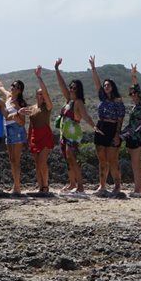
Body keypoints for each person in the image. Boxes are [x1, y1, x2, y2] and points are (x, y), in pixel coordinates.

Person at [53, 58, 92, 195]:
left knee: (73, 158)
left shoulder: (78, 102)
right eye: (71, 87)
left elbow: (86, 116)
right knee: (68, 159)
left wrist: (94, 126)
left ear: (79, 90)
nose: (71, 89)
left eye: (74, 88)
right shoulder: (69, 100)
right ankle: (72, 183)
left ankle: (80, 186)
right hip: (64, 133)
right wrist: (57, 69)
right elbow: (62, 85)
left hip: (73, 134)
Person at [89, 56, 126, 196]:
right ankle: (102, 185)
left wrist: (117, 134)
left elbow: (120, 118)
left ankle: (117, 185)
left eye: (108, 85)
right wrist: (93, 68)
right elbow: (96, 83)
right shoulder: (102, 98)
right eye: (105, 85)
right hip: (101, 127)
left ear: (113, 87)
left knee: (113, 159)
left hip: (112, 128)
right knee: (102, 159)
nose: (105, 87)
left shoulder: (118, 100)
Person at [0, 69, 29, 196]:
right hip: (8, 129)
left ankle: (17, 186)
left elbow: (22, 122)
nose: (13, 87)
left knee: (16, 160)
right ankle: (15, 185)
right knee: (11, 159)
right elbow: (0, 87)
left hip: (16, 130)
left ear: (20, 90)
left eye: (16, 86)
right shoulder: (9, 97)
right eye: (13, 85)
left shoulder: (19, 103)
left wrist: (16, 116)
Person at [24, 67, 56, 194]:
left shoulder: (47, 107)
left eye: (43, 94)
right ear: (36, 95)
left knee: (42, 161)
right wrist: (28, 139)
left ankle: (45, 186)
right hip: (34, 136)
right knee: (37, 163)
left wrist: (39, 78)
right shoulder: (31, 108)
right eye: (39, 93)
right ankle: (40, 186)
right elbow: (31, 125)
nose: (42, 95)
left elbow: (47, 93)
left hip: (45, 135)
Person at [120, 65, 141, 196]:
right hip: (132, 136)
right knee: (137, 163)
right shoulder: (135, 106)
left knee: (136, 162)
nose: (132, 95)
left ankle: (138, 189)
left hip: (137, 136)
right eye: (130, 94)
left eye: (134, 93)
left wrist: (133, 76)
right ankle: (139, 187)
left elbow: (137, 87)